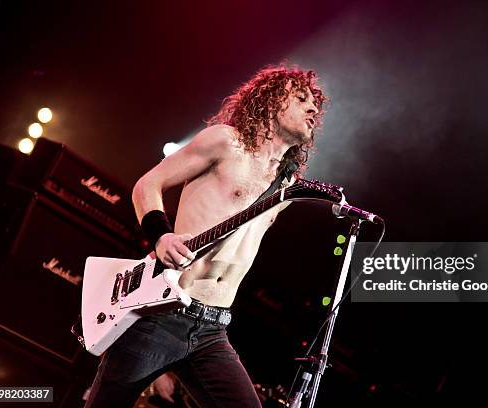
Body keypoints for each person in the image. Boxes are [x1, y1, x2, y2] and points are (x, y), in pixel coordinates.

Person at [84, 64, 327, 407]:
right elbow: (147, 185)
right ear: (272, 102)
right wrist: (161, 236)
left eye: (314, 103)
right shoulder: (225, 142)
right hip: (164, 311)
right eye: (301, 98)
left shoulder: (285, 186)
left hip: (213, 328)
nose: (313, 108)